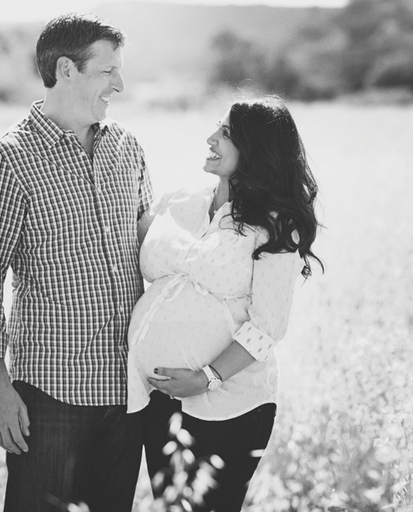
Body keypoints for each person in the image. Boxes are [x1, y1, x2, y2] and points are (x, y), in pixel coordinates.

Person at [0, 13, 153, 512]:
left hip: (127, 391)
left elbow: (155, 246)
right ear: (66, 70)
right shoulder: (6, 159)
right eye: (108, 72)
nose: (120, 85)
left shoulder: (128, 149)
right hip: (50, 394)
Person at [127, 95, 322, 512]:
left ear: (255, 149)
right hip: (160, 396)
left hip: (230, 404)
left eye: (227, 133)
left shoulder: (273, 225)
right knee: (173, 507)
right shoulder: (179, 202)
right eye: (217, 127)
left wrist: (206, 377)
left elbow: (268, 326)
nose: (211, 138)